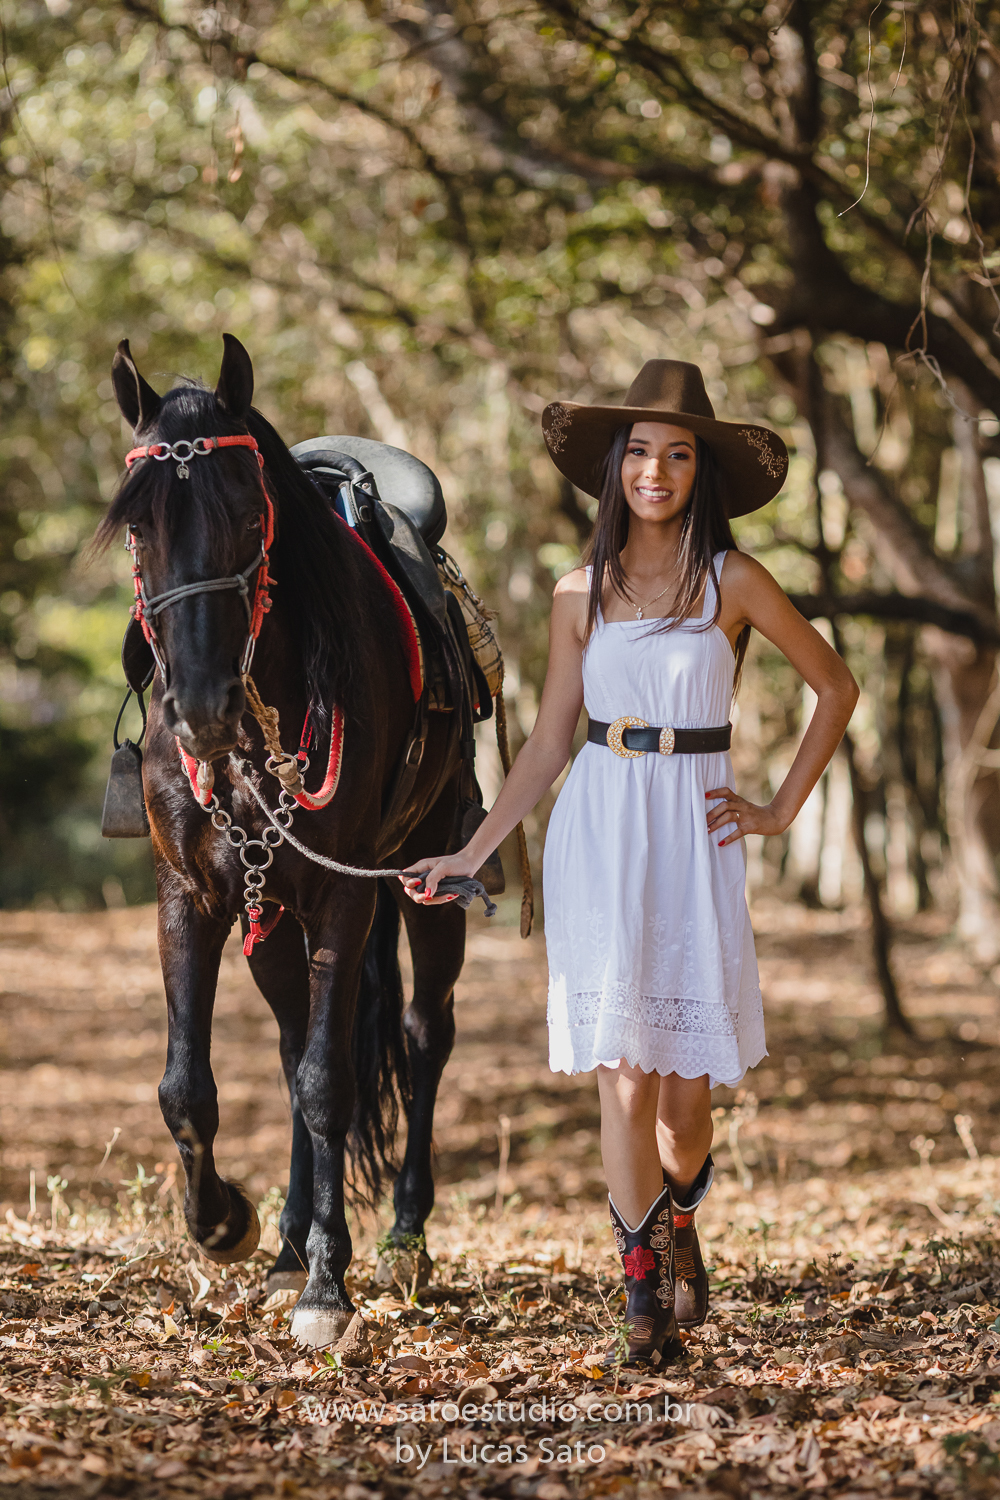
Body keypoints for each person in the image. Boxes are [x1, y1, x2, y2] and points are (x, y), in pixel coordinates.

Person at [400, 361, 859, 1365]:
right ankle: (640, 1298)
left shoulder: (730, 582)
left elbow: (834, 685)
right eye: (641, 452)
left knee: (685, 1102)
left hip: (694, 836)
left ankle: (680, 1216)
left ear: (702, 471)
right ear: (616, 469)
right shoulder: (578, 594)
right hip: (599, 827)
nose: (656, 469)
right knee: (624, 1079)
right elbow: (549, 742)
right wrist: (473, 850)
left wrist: (779, 809)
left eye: (678, 453)